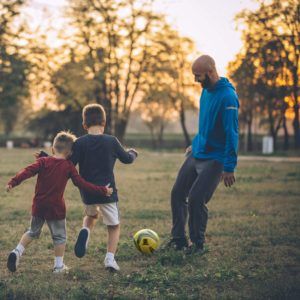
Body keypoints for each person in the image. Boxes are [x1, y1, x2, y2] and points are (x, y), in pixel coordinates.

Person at [38, 104, 138, 271]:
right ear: (104, 122)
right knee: (113, 225)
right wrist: (133, 153)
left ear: (84, 125)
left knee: (91, 214)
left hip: (87, 191)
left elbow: (66, 164)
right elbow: (127, 159)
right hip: (107, 191)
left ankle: (85, 230)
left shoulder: (79, 143)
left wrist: (47, 158)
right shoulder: (111, 141)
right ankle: (110, 259)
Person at [6, 131, 112, 274]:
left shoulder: (43, 161)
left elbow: (27, 171)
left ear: (53, 148)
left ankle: (17, 251)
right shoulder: (68, 166)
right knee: (59, 236)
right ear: (70, 153)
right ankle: (58, 266)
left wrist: (13, 182)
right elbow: (82, 184)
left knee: (32, 231)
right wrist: (102, 190)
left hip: (39, 205)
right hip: (56, 208)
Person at [168, 55, 239, 253]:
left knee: (197, 199)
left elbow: (231, 133)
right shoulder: (206, 92)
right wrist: (195, 143)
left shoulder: (228, 97)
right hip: (198, 151)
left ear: (210, 72)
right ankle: (179, 239)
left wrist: (229, 166)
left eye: (198, 76)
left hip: (215, 158)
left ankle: (198, 244)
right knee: (177, 194)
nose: (195, 80)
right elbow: (206, 124)